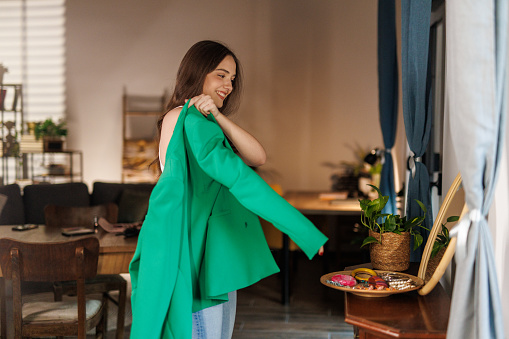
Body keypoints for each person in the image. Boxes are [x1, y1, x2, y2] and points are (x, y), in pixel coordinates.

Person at [129, 40, 327, 339]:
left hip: (210, 256)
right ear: (197, 73)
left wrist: (219, 117)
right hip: (198, 258)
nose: (229, 85)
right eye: (221, 75)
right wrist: (302, 229)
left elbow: (257, 157)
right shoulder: (190, 121)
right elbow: (242, 180)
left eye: (232, 79)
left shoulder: (194, 119)